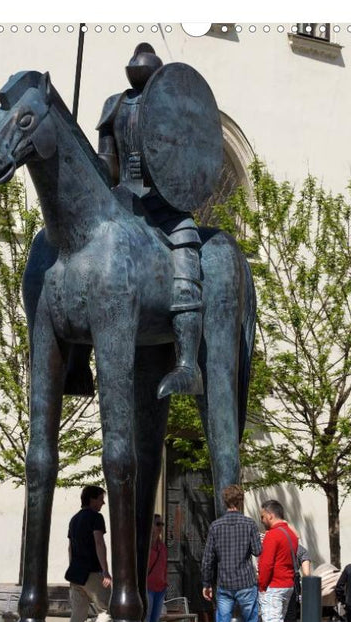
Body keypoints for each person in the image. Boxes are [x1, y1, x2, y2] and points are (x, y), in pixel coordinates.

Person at [96, 42, 205, 399]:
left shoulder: (171, 107)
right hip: (123, 202)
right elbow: (108, 163)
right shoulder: (113, 106)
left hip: (163, 205)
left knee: (185, 257)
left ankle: (188, 364)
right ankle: (74, 359)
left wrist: (160, 172)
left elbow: (188, 154)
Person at [200, 484, 262, 622]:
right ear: (240, 501)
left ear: (224, 501)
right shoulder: (250, 524)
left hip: (225, 584)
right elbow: (258, 551)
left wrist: (206, 583)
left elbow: (208, 558)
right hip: (246, 583)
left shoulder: (215, 526)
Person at [64, 485, 112, 622]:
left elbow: (70, 547)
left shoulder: (74, 519)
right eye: (101, 499)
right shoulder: (96, 517)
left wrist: (74, 566)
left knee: (78, 615)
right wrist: (105, 570)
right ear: (92, 499)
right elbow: (99, 543)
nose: (103, 503)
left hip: (75, 573)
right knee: (107, 610)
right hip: (92, 571)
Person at [258, 499, 302, 622]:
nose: (261, 520)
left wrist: (261, 585)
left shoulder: (272, 535)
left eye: (262, 516)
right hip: (288, 585)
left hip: (274, 586)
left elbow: (266, 564)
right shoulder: (291, 534)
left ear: (270, 514)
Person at [278, 540, 312, 622]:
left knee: (274, 621)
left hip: (275, 582)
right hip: (292, 581)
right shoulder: (298, 548)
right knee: (290, 620)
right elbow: (306, 569)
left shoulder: (273, 543)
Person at [146, 513, 168, 622]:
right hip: (148, 587)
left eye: (162, 524)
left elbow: (164, 566)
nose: (161, 527)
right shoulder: (146, 546)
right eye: (157, 524)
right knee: (146, 621)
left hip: (160, 588)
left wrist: (166, 582)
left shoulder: (162, 546)